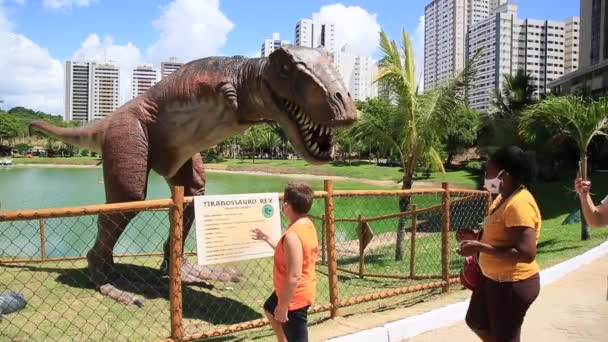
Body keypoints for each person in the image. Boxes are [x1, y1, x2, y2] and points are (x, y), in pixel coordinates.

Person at [456, 145, 541, 342]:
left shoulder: (519, 204)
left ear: (504, 173)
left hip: (512, 283)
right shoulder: (502, 198)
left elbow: (526, 253)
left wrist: (479, 247)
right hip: (492, 279)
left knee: (504, 337)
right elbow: (499, 234)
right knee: (476, 321)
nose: (486, 174)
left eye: (489, 170)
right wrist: (475, 236)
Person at [251, 183, 318, 342]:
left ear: (287, 205)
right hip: (292, 292)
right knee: (269, 307)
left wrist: (283, 307)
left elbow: (294, 276)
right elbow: (289, 253)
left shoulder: (293, 235)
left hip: (294, 298)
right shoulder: (306, 224)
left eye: (284, 202)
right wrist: (266, 237)